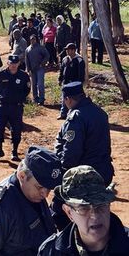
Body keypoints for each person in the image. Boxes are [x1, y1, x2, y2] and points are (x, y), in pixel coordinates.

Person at [0, 146, 61, 256]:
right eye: (40, 187)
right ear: (22, 176)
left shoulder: (32, 191)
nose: (46, 194)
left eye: (49, 188)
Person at [52, 82, 115, 231]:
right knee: (98, 213)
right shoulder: (100, 112)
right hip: (103, 172)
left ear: (68, 99)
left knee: (59, 212)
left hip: (83, 178)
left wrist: (64, 172)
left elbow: (71, 153)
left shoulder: (76, 117)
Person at [39, 165, 128, 256]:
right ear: (69, 213)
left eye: (100, 205)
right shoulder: (51, 252)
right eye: (84, 208)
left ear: (108, 205)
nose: (95, 216)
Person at [0, 55, 30, 161]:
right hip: (3, 106)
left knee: (16, 130)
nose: (13, 66)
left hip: (16, 107)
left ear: (18, 64)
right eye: (11, 63)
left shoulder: (23, 76)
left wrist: (19, 98)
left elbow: (27, 90)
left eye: (15, 64)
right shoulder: (1, 74)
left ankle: (14, 151)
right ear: (8, 63)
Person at [58, 43, 85, 119]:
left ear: (73, 50)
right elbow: (61, 70)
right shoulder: (65, 59)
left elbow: (81, 73)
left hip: (75, 83)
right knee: (64, 99)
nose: (67, 52)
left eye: (69, 50)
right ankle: (63, 114)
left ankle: (76, 114)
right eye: (67, 50)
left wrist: (80, 83)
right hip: (66, 83)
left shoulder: (79, 60)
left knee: (76, 100)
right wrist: (60, 79)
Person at [26, 34, 50, 105]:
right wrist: (28, 70)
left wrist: (42, 63)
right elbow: (27, 60)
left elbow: (47, 55)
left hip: (40, 68)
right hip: (32, 70)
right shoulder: (27, 49)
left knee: (40, 84)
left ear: (36, 40)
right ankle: (35, 98)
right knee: (33, 85)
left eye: (33, 39)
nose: (32, 40)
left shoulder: (41, 48)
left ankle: (41, 98)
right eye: (31, 39)